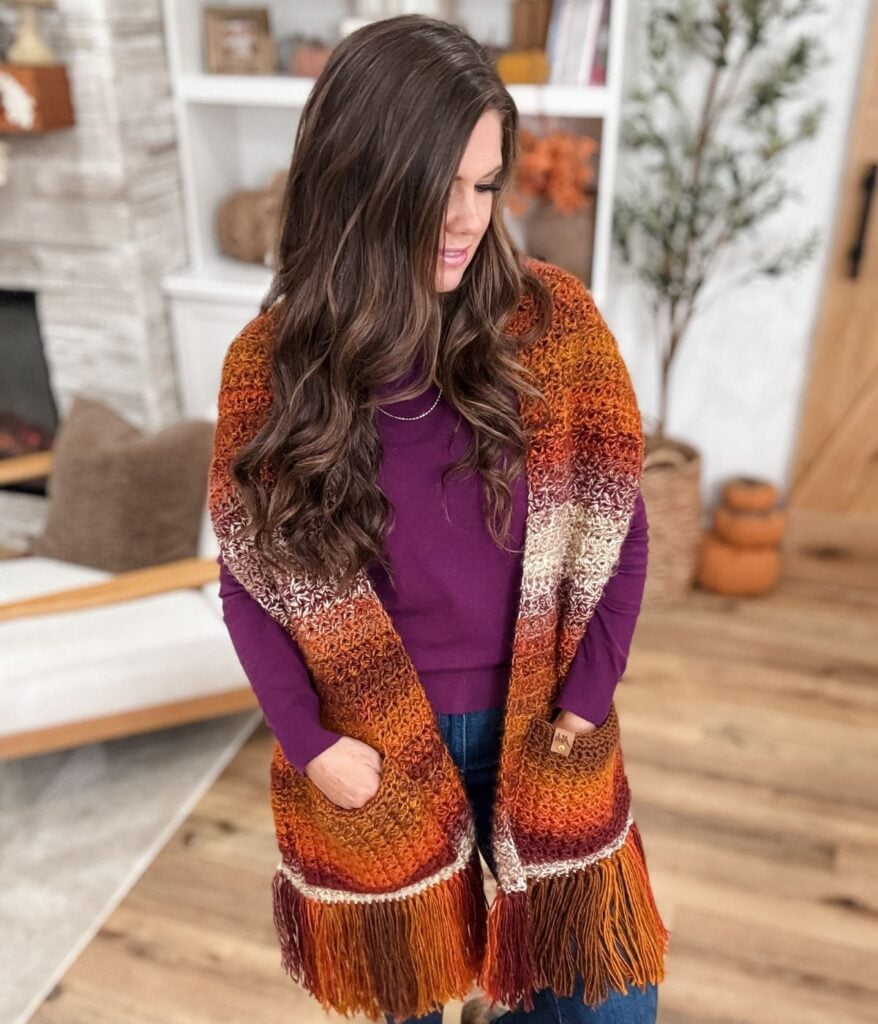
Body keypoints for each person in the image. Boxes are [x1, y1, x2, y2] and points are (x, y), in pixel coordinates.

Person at [209, 14, 667, 1024]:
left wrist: (585, 702)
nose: (465, 219)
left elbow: (618, 530)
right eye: (438, 187)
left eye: (484, 183)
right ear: (360, 180)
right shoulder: (270, 368)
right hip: (369, 750)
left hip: (540, 725)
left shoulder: (555, 328)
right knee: (405, 1000)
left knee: (601, 1003)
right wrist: (311, 742)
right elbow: (249, 581)